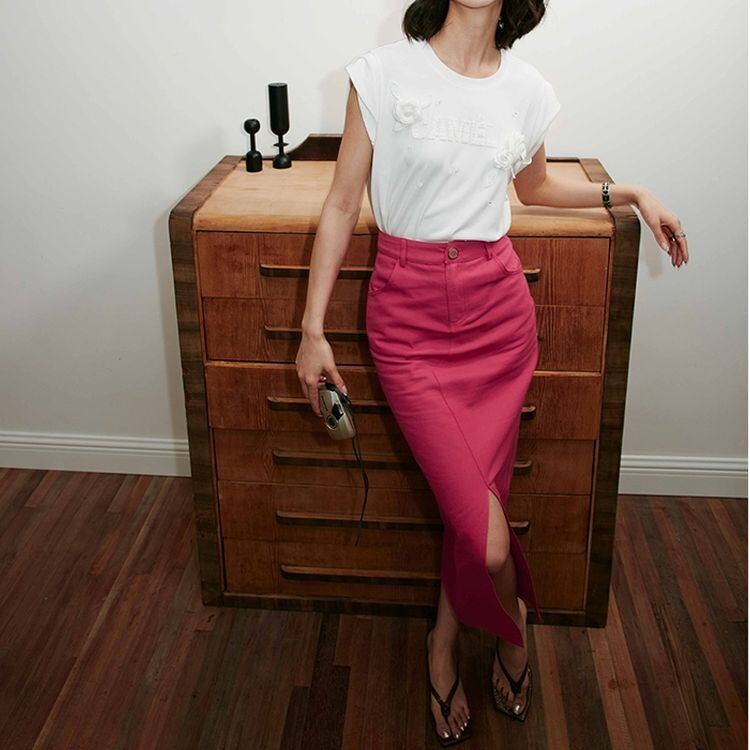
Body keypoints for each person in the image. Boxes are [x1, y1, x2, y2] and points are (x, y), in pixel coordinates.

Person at [295, 0, 689, 744]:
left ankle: (443, 643)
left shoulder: (528, 89)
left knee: (476, 514)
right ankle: (514, 626)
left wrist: (631, 192)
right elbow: (343, 204)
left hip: (499, 325)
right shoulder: (381, 74)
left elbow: (534, 190)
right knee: (489, 537)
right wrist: (311, 331)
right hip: (408, 327)